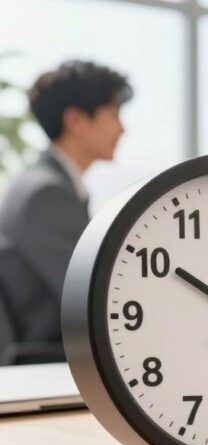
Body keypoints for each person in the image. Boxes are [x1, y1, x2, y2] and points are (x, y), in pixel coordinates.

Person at [0, 60, 131, 347]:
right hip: (55, 360)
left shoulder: (44, 185)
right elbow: (91, 297)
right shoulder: (45, 194)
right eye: (113, 114)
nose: (122, 128)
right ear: (76, 121)